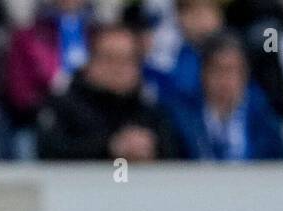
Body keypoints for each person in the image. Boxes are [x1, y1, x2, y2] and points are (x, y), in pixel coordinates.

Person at [38, 24, 181, 161]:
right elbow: (51, 152)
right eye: (108, 58)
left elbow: (177, 158)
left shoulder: (152, 113)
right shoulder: (62, 107)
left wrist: (152, 149)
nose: (117, 68)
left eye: (126, 60)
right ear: (89, 61)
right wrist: (109, 147)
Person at [167, 32, 283, 160]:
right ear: (203, 73)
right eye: (217, 70)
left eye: (231, 70)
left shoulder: (263, 115)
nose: (224, 80)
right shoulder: (182, 114)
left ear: (245, 74)